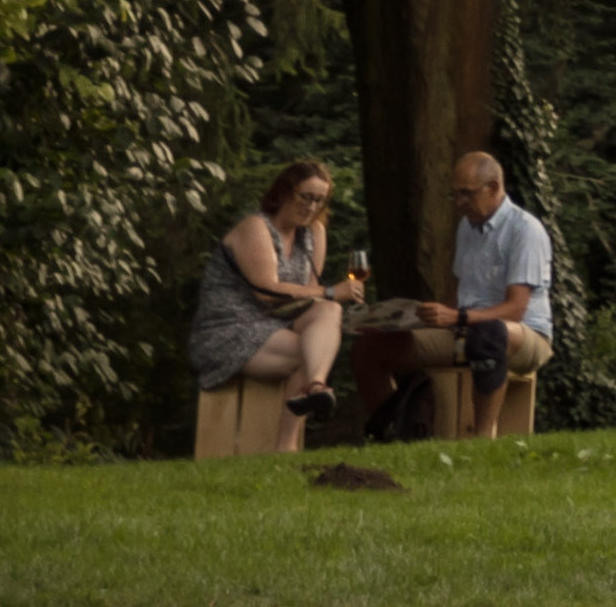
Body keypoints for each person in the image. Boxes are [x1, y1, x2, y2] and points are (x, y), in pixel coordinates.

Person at [353, 147, 553, 439]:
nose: (459, 203)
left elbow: (515, 309)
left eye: (467, 194)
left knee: (488, 334)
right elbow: (460, 294)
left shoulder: (525, 231)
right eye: (455, 194)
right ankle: (394, 433)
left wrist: (456, 316)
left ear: (493, 187)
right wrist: (419, 316)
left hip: (524, 334)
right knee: (370, 347)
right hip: (463, 329)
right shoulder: (467, 227)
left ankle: (483, 439)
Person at [190, 160, 360, 430]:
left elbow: (308, 297)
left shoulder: (314, 233)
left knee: (330, 311)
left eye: (320, 200)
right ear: (283, 191)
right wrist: (332, 291)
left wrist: (334, 302)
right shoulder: (255, 227)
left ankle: (316, 387)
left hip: (277, 325)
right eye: (306, 197)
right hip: (231, 329)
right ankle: (288, 444)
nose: (312, 207)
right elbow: (267, 291)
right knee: (312, 348)